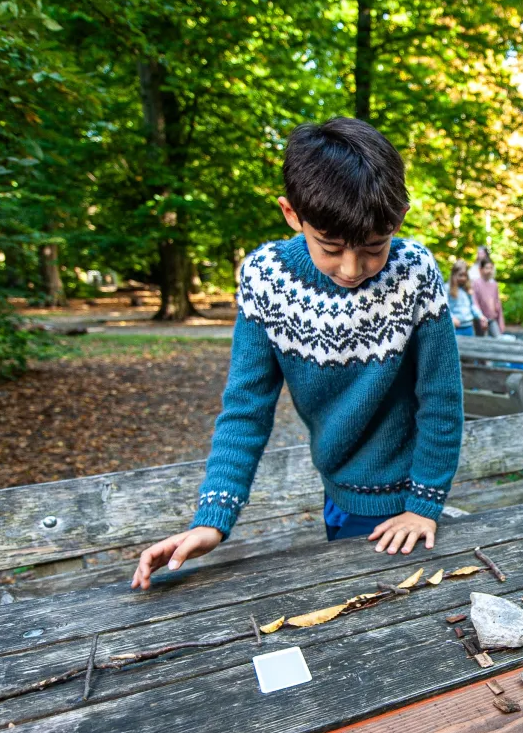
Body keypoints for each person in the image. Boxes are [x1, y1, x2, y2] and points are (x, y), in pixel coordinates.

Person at [130, 118, 465, 588]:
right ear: (292, 214)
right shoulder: (265, 279)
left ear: (400, 217)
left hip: (407, 505)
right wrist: (213, 519)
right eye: (330, 247)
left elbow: (441, 399)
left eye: (374, 247)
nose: (353, 269)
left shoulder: (415, 273)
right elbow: (246, 409)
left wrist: (422, 505)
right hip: (338, 491)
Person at [472, 254, 505, 337]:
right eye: (487, 268)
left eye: (491, 268)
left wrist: (500, 320)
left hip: (492, 318)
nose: (489, 270)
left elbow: (497, 302)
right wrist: (480, 317)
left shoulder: (494, 284)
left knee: (497, 338)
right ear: (481, 269)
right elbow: (475, 301)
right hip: (481, 319)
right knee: (481, 341)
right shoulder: (476, 283)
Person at [448, 260, 483, 336]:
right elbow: (444, 308)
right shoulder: (447, 288)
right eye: (460, 275)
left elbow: (472, 305)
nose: (463, 278)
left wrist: (481, 316)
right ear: (454, 274)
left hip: (469, 327)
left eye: (465, 276)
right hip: (456, 328)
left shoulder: (467, 289)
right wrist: (452, 318)